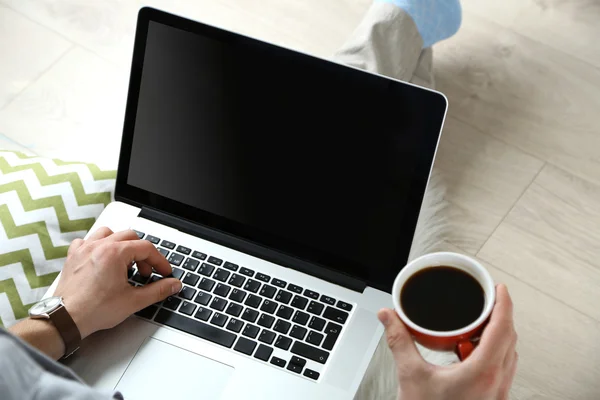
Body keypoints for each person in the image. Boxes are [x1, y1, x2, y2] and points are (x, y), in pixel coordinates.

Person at [1, 0, 518, 399]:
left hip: (109, 308)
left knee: (324, 115)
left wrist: (61, 320)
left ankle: (406, 24)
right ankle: (406, 19)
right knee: (340, 120)